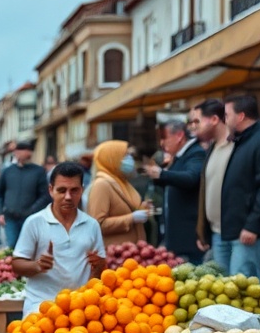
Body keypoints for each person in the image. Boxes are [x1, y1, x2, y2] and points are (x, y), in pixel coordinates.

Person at [11, 162, 106, 318]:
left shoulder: (92, 225)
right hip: (41, 307)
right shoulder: (35, 222)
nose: (68, 197)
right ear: (51, 190)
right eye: (62, 190)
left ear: (82, 190)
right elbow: (16, 265)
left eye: (74, 190)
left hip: (79, 308)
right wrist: (37, 265)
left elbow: (99, 266)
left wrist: (99, 266)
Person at [219, 93, 260, 281]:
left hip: (252, 231)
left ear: (241, 116)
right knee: (244, 285)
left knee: (242, 285)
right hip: (239, 229)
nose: (225, 120)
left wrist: (252, 225)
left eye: (227, 115)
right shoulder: (244, 141)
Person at [145, 120, 204, 264]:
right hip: (176, 237)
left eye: (164, 137)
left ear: (179, 136)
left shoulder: (195, 153)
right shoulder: (178, 156)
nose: (162, 143)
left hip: (189, 237)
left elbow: (190, 178)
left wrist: (162, 174)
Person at [87, 140, 151, 249]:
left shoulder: (121, 182)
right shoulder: (102, 185)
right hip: (116, 253)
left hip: (133, 251)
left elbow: (125, 209)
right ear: (112, 158)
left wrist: (142, 208)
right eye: (125, 156)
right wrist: (131, 218)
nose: (130, 159)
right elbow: (98, 224)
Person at [193, 99, 234, 269]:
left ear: (215, 119)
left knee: (245, 280)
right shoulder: (211, 148)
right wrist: (202, 230)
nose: (194, 127)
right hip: (217, 232)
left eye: (198, 121)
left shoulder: (236, 146)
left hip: (238, 232)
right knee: (222, 281)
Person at [0, 141, 49, 249]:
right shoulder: (7, 171)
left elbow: (45, 195)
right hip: (10, 217)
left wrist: (32, 210)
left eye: (25, 151)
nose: (21, 154)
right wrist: (0, 212)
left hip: (30, 218)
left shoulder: (38, 171)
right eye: (19, 151)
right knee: (12, 247)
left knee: (29, 247)